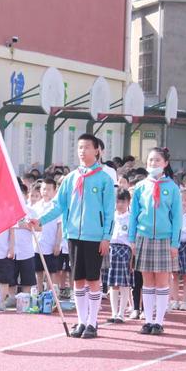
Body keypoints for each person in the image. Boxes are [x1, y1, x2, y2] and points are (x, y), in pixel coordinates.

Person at [29, 134, 115, 339]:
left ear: (97, 151)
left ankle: (93, 322)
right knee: (78, 280)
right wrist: (40, 220)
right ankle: (82, 321)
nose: (82, 151)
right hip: (74, 235)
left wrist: (106, 237)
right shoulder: (71, 178)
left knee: (93, 280)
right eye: (79, 148)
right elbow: (59, 205)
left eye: (86, 147)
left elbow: (109, 211)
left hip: (95, 237)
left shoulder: (104, 179)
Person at [129, 147, 182, 335]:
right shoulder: (141, 186)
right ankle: (148, 320)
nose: (153, 164)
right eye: (150, 160)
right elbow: (134, 214)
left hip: (164, 239)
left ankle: (159, 321)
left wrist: (174, 243)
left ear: (165, 163)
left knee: (162, 282)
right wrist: (132, 239)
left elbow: (177, 218)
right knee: (147, 281)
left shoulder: (172, 187)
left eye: (157, 160)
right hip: (143, 238)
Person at [107, 188, 132, 323]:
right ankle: (114, 312)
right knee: (112, 284)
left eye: (123, 201)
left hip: (125, 250)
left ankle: (121, 313)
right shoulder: (110, 216)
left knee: (124, 283)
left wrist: (132, 257)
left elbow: (133, 238)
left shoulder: (131, 218)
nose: (120, 204)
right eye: (117, 201)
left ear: (128, 202)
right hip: (111, 249)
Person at [33, 178, 62, 292]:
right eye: (44, 189)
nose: (46, 191)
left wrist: (57, 244)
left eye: (49, 189)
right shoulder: (36, 206)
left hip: (51, 245)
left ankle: (51, 294)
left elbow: (60, 227)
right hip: (37, 244)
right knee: (38, 271)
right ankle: (39, 293)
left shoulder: (56, 207)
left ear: (54, 191)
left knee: (51, 271)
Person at [172, 189, 186, 310]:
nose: (183, 202)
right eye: (181, 200)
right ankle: (175, 301)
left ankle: (184, 301)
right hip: (176, 246)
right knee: (174, 275)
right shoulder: (174, 215)